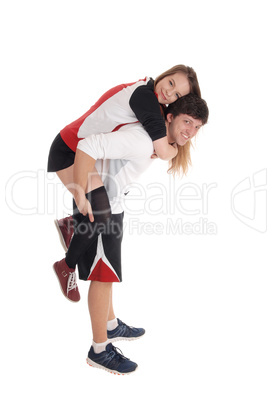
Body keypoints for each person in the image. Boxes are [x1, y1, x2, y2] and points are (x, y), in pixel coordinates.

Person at [51, 94, 209, 375]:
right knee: (103, 275)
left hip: (115, 204)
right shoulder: (142, 140)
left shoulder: (160, 142)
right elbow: (88, 145)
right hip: (100, 207)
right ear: (169, 118)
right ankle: (98, 350)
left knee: (111, 270)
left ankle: (111, 326)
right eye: (187, 122)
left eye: (197, 127)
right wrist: (81, 198)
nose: (191, 131)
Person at [47, 65, 201, 242]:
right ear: (165, 75)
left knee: (103, 211)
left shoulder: (154, 99)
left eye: (177, 95)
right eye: (171, 82)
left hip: (87, 153)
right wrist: (170, 149)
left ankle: (70, 224)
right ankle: (71, 230)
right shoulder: (145, 97)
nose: (168, 92)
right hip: (68, 149)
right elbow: (164, 153)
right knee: (100, 212)